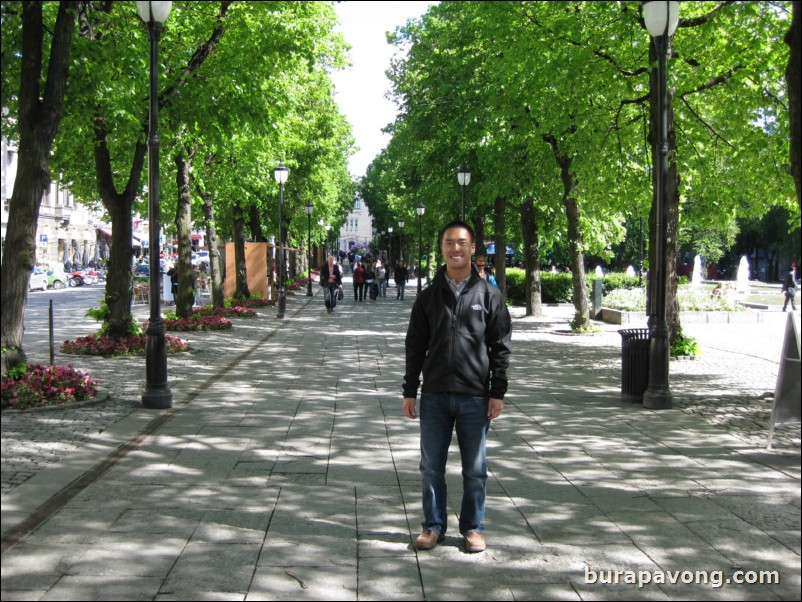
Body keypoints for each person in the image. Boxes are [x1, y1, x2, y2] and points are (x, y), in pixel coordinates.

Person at [402, 220, 512, 554]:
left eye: (462, 242)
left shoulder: (489, 296)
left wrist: (497, 392)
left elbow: (500, 347)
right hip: (434, 394)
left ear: (472, 247)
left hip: (475, 396)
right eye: (449, 242)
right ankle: (432, 526)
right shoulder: (428, 297)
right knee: (431, 466)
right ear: (442, 248)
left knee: (475, 469)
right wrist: (410, 389)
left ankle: (473, 527)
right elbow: (415, 345)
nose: (456, 248)